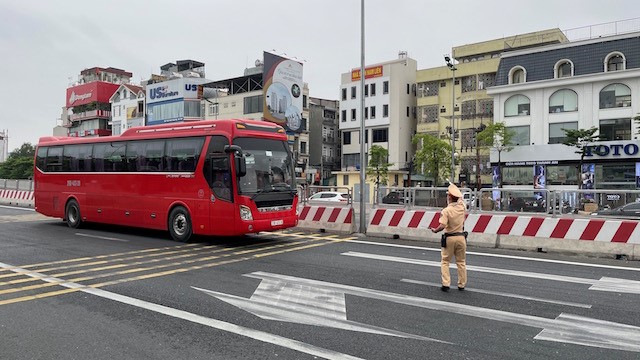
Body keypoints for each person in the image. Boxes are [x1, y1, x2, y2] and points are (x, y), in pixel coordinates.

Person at [430, 183, 467, 292]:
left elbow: (442, 226)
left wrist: (435, 230)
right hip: (461, 237)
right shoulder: (462, 208)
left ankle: (446, 283)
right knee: (461, 262)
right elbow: (461, 200)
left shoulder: (446, 211)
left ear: (449, 198)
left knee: (445, 261)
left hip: (450, 238)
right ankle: (461, 284)